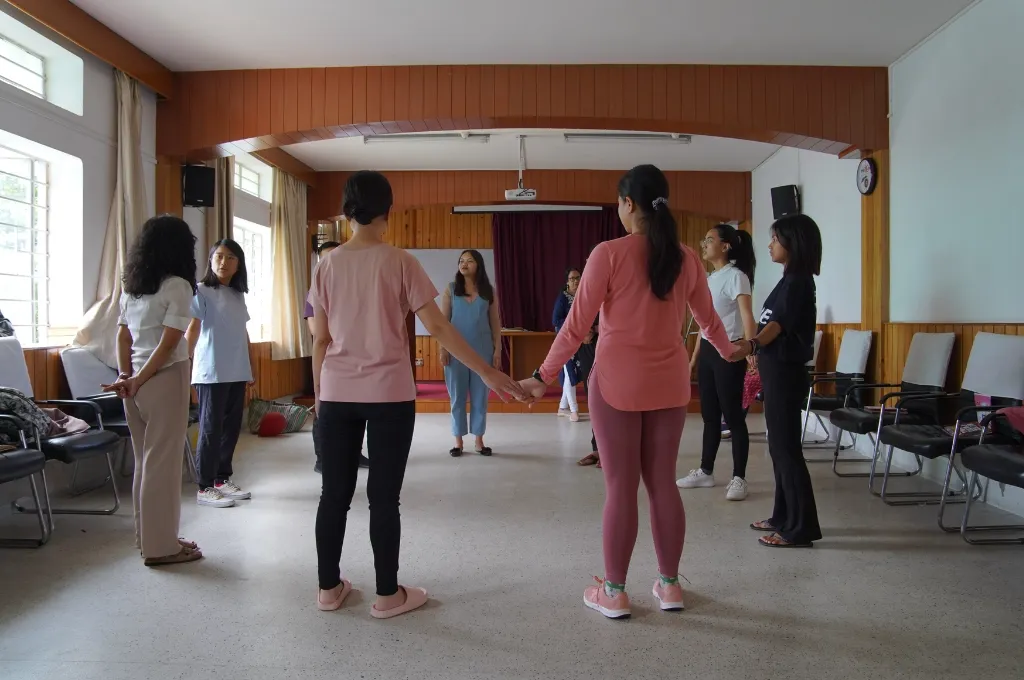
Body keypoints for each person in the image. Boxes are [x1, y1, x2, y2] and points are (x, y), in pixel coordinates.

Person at [518, 165, 748, 619]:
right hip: (670, 385)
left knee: (620, 487)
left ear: (627, 203)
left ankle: (615, 592)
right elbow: (709, 322)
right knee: (662, 484)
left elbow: (575, 326)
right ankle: (670, 586)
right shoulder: (686, 258)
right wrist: (730, 351)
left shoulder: (608, 253)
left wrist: (542, 375)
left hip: (616, 384)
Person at [310, 170, 524, 617]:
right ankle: (387, 595)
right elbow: (439, 327)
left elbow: (321, 339)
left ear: (348, 211)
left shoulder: (326, 265)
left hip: (336, 393)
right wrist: (487, 371)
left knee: (333, 495)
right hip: (389, 394)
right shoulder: (400, 261)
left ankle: (328, 589)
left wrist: (320, 396)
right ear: (387, 210)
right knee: (383, 498)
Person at [104, 215, 201, 566]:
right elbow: (170, 343)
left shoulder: (132, 288)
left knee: (145, 461)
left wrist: (126, 377)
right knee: (163, 464)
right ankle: (162, 548)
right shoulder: (177, 286)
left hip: (133, 384)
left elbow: (123, 337)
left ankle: (148, 538)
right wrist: (140, 378)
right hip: (163, 378)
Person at [747, 214, 823, 548]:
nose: (770, 245)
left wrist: (750, 346)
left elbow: (776, 326)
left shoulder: (798, 282)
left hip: (785, 373)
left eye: (775, 239)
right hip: (775, 370)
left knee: (787, 449)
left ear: (793, 242)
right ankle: (783, 516)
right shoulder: (789, 279)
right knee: (778, 447)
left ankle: (800, 528)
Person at [677, 224, 757, 501]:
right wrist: (694, 358)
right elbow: (705, 324)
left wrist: (751, 350)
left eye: (709, 240)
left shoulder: (737, 276)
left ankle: (739, 478)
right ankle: (706, 471)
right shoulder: (709, 278)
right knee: (709, 416)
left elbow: (747, 316)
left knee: (733, 417)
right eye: (704, 239)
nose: (704, 244)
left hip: (730, 352)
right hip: (709, 353)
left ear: (725, 246)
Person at [185, 239, 256, 509]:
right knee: (210, 429)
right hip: (211, 371)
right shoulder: (201, 291)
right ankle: (204, 486)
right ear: (211, 260)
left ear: (239, 265)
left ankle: (221, 479)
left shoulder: (237, 295)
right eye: (219, 256)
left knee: (231, 428)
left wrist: (251, 367)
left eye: (230, 258)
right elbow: (193, 329)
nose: (223, 262)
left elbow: (243, 333)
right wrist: (185, 363)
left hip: (236, 370)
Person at [305, 241, 369, 472]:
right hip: (327, 360)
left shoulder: (352, 290)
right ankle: (322, 459)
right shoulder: (315, 292)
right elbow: (317, 331)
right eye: (326, 258)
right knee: (323, 410)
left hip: (354, 359)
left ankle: (355, 453)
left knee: (356, 409)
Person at [439, 250, 502, 457]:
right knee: (457, 396)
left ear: (478, 265)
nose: (464, 263)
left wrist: (498, 350)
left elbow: (495, 324)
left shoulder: (488, 291)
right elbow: (442, 323)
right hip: (455, 352)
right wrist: (442, 349)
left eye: (469, 260)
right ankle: (458, 441)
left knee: (480, 396)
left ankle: (479, 440)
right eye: (461, 260)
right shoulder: (451, 290)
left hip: (483, 351)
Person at [552, 268, 583, 423]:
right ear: (567, 282)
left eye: (578, 278)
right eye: (572, 279)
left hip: (581, 340)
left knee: (573, 373)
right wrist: (573, 322)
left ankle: (562, 407)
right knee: (570, 372)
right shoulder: (563, 298)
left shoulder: (583, 295)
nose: (575, 281)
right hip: (566, 340)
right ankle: (574, 409)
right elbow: (556, 320)